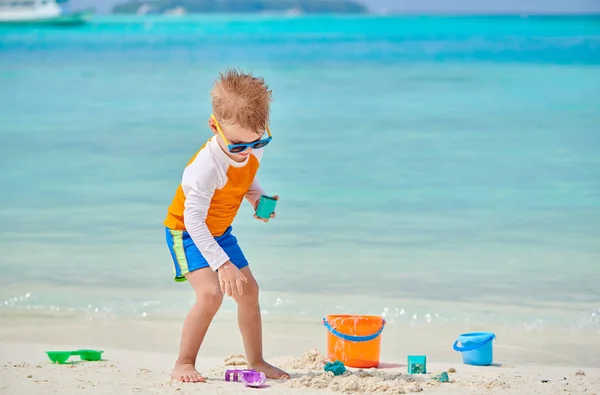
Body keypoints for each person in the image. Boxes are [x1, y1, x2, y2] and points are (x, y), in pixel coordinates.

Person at [163, 69, 290, 383]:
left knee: (250, 292)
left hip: (219, 232)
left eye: (257, 142)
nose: (246, 151)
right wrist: (222, 264)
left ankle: (257, 361)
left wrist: (257, 198)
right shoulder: (205, 168)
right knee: (211, 294)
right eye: (237, 146)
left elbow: (245, 177)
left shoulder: (250, 143)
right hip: (186, 232)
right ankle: (184, 362)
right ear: (213, 125)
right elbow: (193, 221)